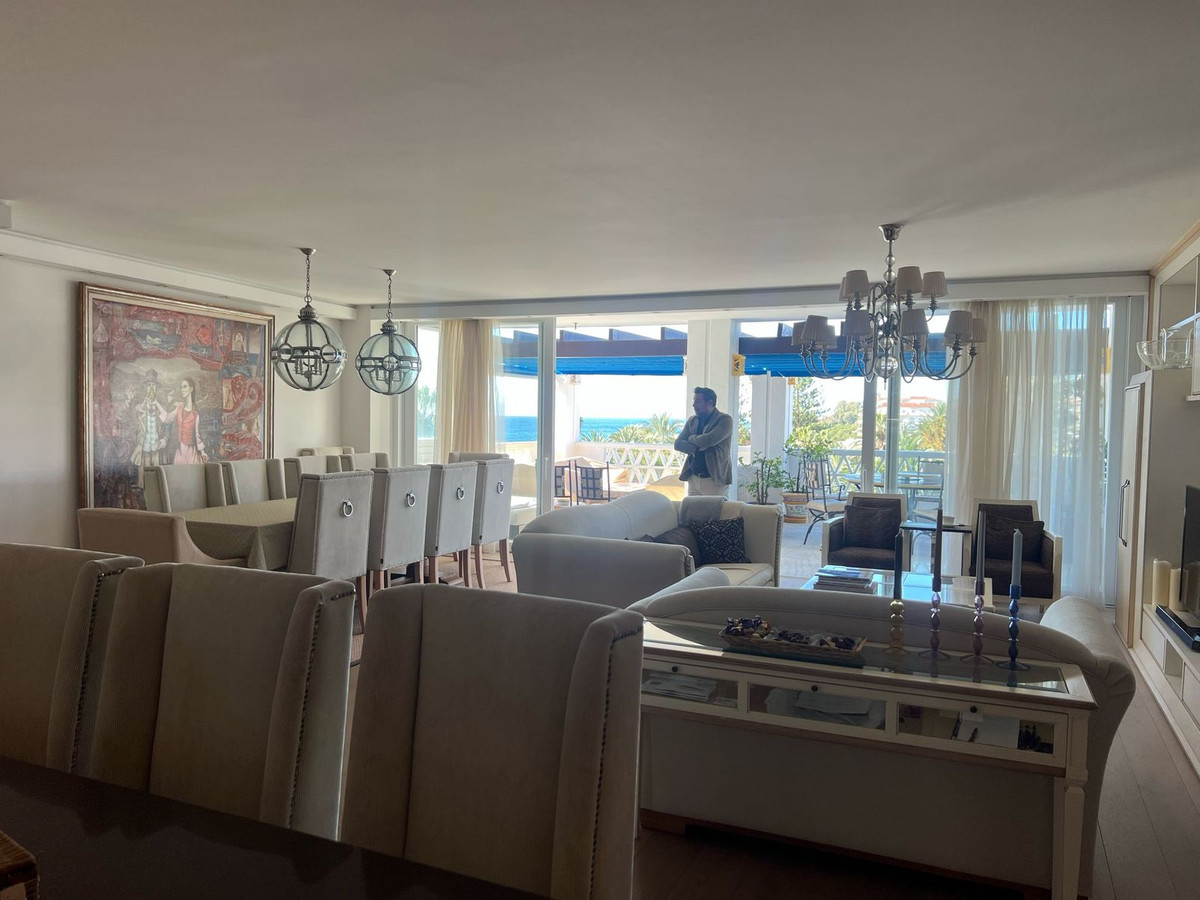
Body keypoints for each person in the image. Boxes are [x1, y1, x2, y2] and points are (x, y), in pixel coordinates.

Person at [674, 386, 734, 496]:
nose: (693, 405)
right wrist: (695, 449)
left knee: (715, 508)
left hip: (715, 480)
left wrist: (691, 438)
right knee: (691, 508)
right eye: (694, 401)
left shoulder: (724, 420)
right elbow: (677, 444)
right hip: (693, 478)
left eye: (698, 401)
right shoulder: (692, 420)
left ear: (709, 403)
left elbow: (708, 440)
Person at [161, 376, 208, 464]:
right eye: (181, 387)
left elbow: (197, 435)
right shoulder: (179, 408)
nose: (182, 389)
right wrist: (156, 404)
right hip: (180, 452)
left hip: (192, 452)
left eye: (185, 387)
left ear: (191, 389)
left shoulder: (195, 414)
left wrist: (203, 452)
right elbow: (167, 419)